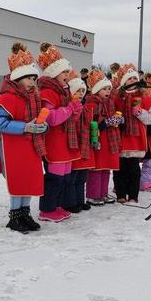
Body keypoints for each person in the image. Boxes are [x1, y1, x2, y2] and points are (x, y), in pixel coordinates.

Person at [0, 42, 48, 233]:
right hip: (13, 148)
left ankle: (25, 213)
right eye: (28, 78)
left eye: (34, 78)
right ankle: (15, 216)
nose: (32, 82)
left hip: (31, 146)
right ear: (18, 78)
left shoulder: (34, 97)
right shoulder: (7, 98)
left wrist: (42, 127)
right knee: (18, 181)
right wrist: (26, 127)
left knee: (29, 180)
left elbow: (38, 119)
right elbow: (0, 123)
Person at [37, 43, 82, 222]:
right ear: (54, 73)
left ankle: (57, 205)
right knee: (54, 178)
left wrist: (76, 110)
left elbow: (70, 117)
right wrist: (71, 108)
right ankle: (46, 209)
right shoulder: (48, 92)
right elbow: (52, 118)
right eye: (64, 72)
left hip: (65, 142)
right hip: (54, 142)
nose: (67, 75)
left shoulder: (63, 91)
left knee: (64, 178)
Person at [113, 63, 151, 206]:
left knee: (134, 170)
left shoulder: (144, 96)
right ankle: (120, 194)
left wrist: (139, 111)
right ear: (124, 81)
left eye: (134, 78)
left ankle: (133, 195)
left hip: (136, 139)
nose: (132, 81)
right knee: (119, 169)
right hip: (121, 137)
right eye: (129, 79)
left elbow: (150, 119)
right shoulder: (117, 97)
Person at [84, 69, 122, 206]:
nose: (107, 91)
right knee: (97, 169)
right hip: (98, 140)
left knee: (106, 168)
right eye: (104, 89)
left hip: (109, 139)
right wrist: (106, 122)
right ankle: (93, 195)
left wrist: (117, 120)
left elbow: (114, 115)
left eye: (108, 89)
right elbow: (91, 123)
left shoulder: (109, 103)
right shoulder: (91, 103)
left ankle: (103, 193)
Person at [64, 71, 93, 213]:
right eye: (77, 91)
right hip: (73, 144)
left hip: (83, 144)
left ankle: (80, 200)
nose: (81, 94)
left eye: (83, 91)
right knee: (72, 176)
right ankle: (70, 202)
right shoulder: (70, 106)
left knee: (82, 175)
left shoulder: (84, 106)